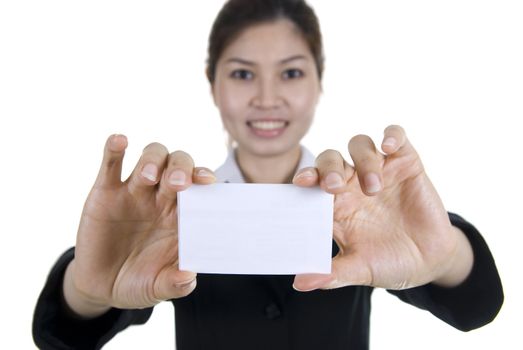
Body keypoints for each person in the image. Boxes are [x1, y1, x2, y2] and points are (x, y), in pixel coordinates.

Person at [32, 0, 503, 349]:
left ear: (320, 82)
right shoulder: (173, 215)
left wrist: (445, 258)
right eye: (241, 74)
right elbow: (63, 335)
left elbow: (475, 306)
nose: (266, 97)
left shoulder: (361, 207)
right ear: (212, 84)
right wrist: (84, 290)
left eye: (291, 74)